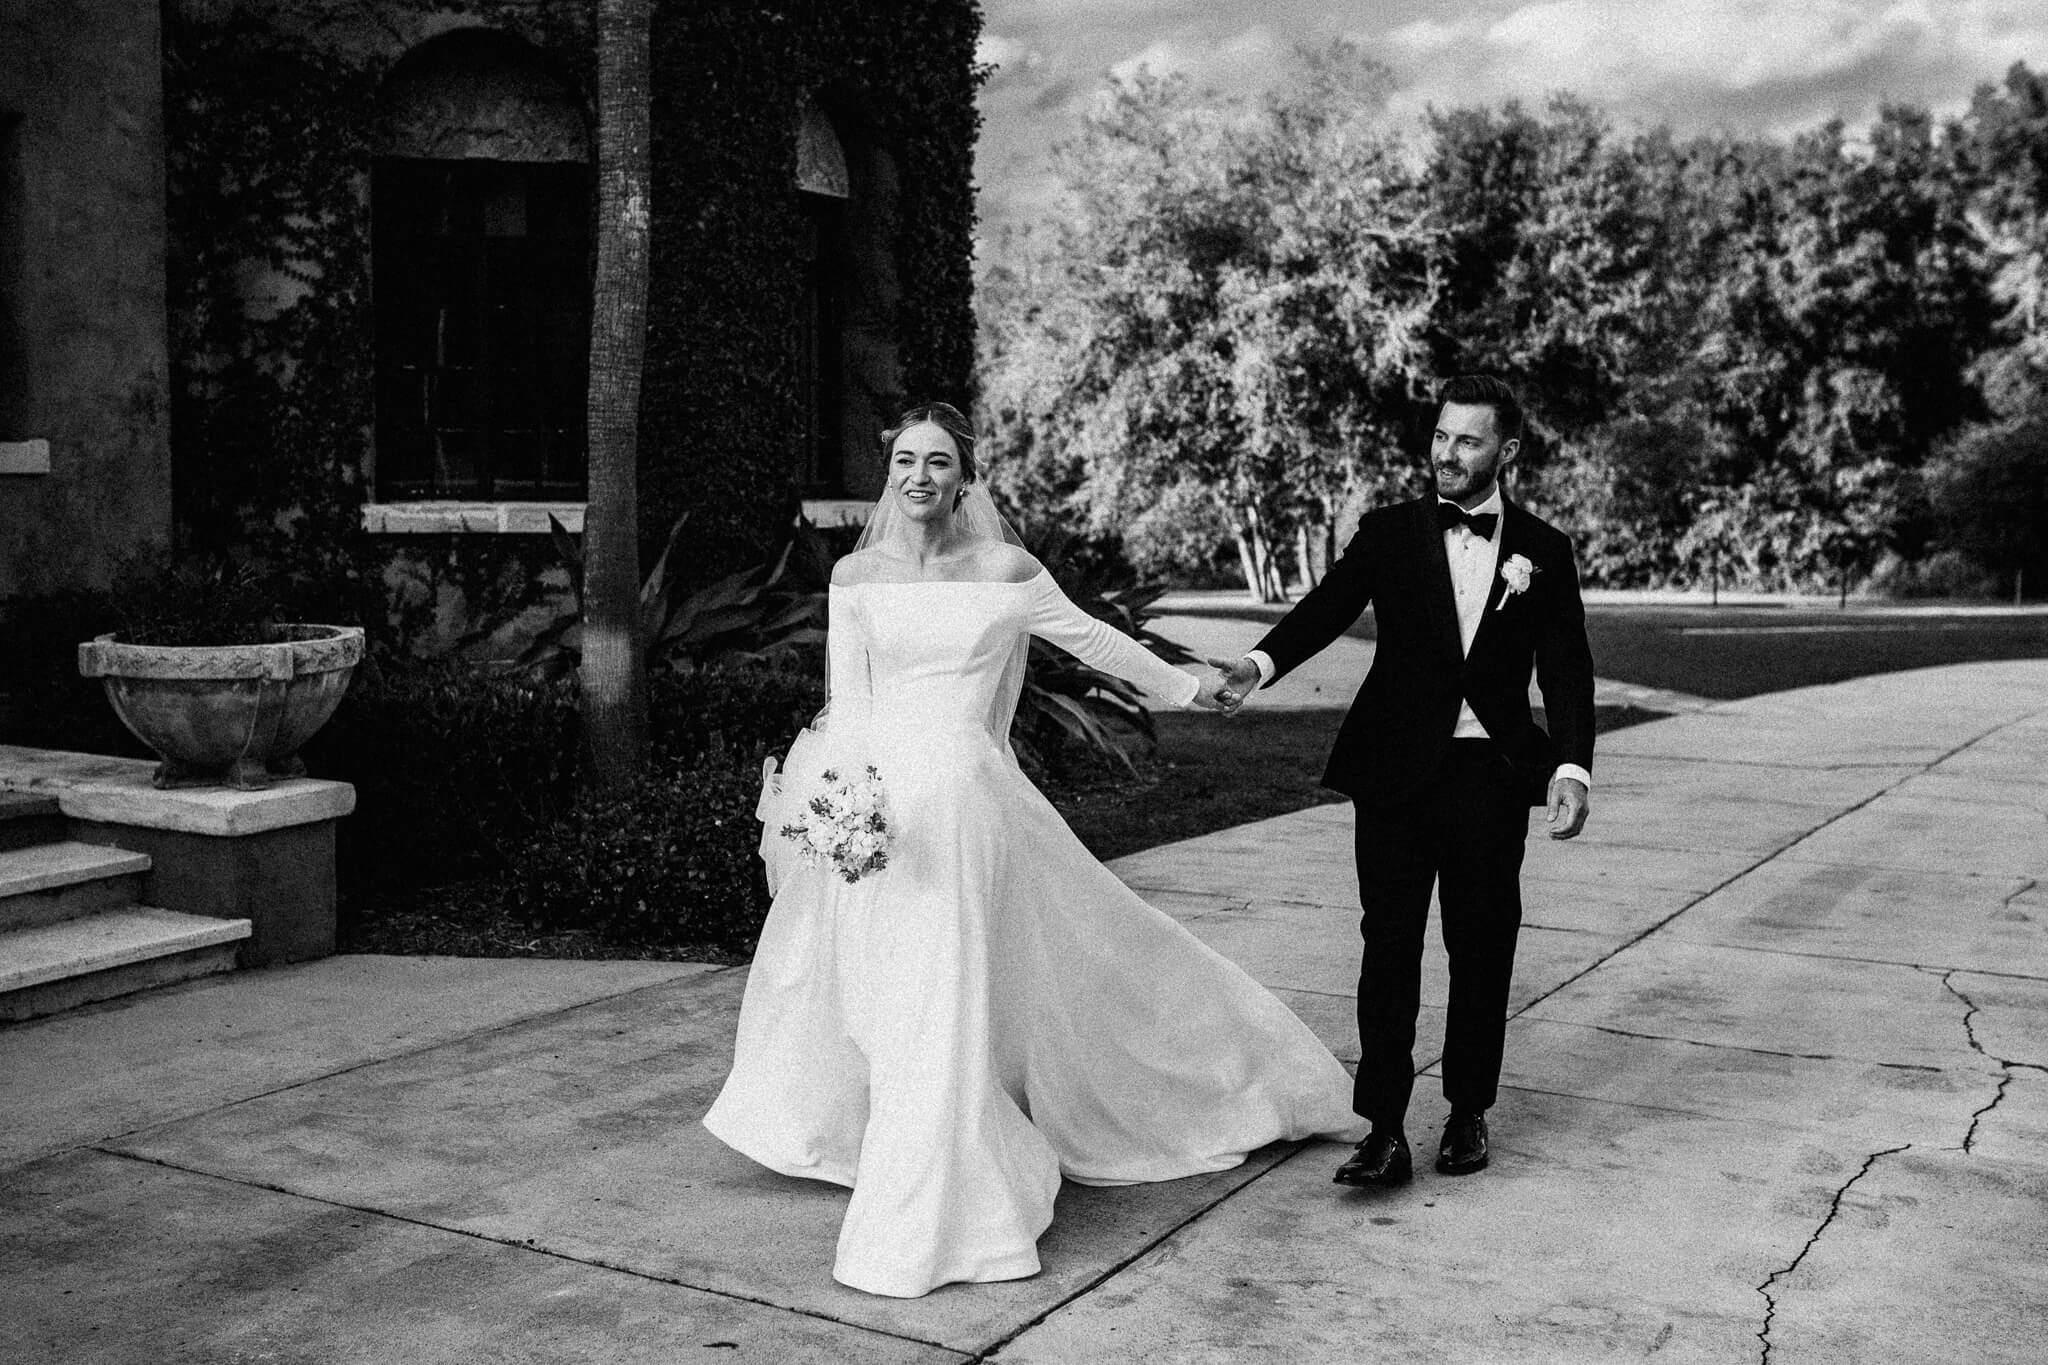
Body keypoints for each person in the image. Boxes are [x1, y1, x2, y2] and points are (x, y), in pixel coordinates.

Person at [702, 401, 1360, 1298]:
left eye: (939, 461)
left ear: (966, 478)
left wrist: (1187, 684)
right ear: (887, 472)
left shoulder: (1007, 568)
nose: (920, 476)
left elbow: (1093, 638)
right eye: (904, 460)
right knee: (888, 997)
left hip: (968, 810)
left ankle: (935, 1204)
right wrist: (836, 808)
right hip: (878, 818)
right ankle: (920, 1144)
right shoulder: (856, 574)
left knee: (947, 995)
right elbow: (846, 701)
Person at [1213, 374, 1595, 1189]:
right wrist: (1257, 663)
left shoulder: (1544, 550)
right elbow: (1327, 607)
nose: (1447, 453)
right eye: (1441, 436)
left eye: (1468, 440)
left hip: (1490, 774)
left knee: (1482, 947)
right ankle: (1383, 1128)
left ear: (1507, 451)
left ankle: (1467, 1110)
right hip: (1394, 773)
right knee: (1388, 947)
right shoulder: (1388, 533)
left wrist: (1571, 764)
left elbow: (1566, 666)